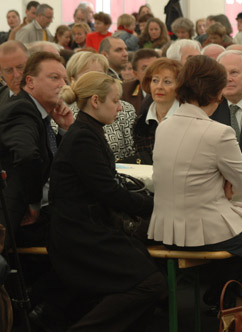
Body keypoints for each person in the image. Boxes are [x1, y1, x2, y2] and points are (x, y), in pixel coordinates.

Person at [148, 55, 242, 308]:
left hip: (166, 227)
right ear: (218, 94)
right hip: (207, 227)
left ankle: (224, 292)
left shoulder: (164, 127)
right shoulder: (219, 132)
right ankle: (236, 300)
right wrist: (224, 181)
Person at [48, 71, 166, 331]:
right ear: (95, 101)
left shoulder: (87, 131)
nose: (120, 106)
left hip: (87, 227)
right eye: (115, 100)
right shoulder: (84, 137)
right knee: (150, 282)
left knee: (151, 276)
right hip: (80, 235)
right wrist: (157, 206)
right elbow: (109, 193)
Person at [0, 52, 73, 248]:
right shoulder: (21, 110)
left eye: (65, 79)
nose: (62, 85)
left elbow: (53, 161)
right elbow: (26, 157)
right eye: (54, 78)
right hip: (15, 216)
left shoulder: (39, 114)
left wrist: (65, 130)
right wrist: (33, 203)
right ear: (30, 82)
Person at [66, 51, 137, 161]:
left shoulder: (124, 109)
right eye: (88, 75)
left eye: (100, 74)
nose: (96, 80)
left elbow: (135, 152)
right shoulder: (64, 113)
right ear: (73, 79)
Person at [133, 58, 184, 164]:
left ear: (179, 86)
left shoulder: (187, 119)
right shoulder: (141, 121)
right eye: (155, 80)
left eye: (167, 82)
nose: (159, 87)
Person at [122, 49, 160, 115]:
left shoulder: (171, 91)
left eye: (154, 67)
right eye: (145, 68)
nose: (151, 72)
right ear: (135, 74)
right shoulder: (125, 91)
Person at [0, 41, 28, 105]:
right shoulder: (1, 95)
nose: (16, 75)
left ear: (30, 62)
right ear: (0, 72)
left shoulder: (46, 97)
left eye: (20, 67)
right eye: (9, 70)